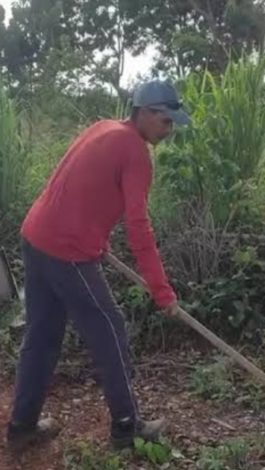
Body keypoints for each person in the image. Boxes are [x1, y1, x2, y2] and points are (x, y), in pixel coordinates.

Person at [5, 80, 190, 453]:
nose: (169, 131)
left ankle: (21, 427)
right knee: (110, 330)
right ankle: (127, 427)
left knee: (41, 336)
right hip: (66, 251)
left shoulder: (102, 127)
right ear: (145, 112)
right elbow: (139, 227)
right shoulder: (136, 152)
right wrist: (161, 290)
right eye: (166, 122)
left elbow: (76, 186)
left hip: (36, 235)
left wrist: (97, 239)